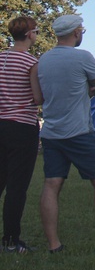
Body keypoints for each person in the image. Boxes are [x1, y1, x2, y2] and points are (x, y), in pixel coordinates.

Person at [36, 14, 95, 253]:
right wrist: (88, 90)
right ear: (76, 33)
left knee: (51, 184)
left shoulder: (43, 60)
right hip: (78, 132)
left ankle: (54, 245)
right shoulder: (82, 57)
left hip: (51, 132)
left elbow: (40, 96)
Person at [0, 16, 43, 254]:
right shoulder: (31, 62)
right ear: (29, 35)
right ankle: (10, 239)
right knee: (16, 186)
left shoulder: (1, 57)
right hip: (22, 127)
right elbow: (37, 98)